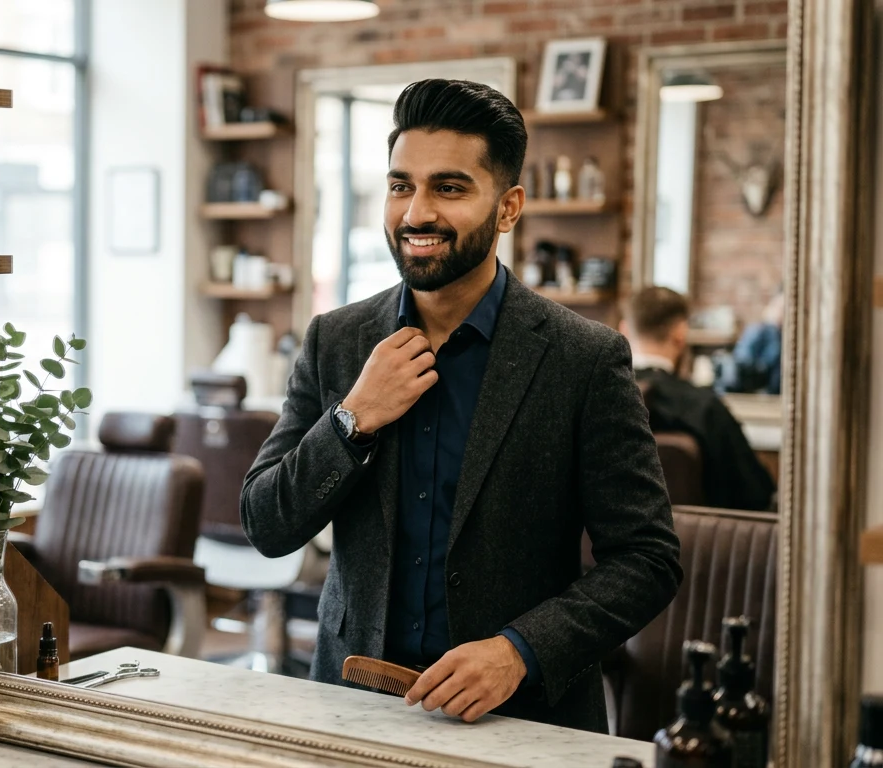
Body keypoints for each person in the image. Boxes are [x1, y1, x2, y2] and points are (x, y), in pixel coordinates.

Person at [240, 79, 682, 733]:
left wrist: (521, 651)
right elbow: (266, 523)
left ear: (508, 208)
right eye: (400, 186)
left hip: (522, 719)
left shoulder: (583, 359)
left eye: (449, 188)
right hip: (351, 708)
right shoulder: (335, 341)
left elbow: (647, 557)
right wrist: (352, 417)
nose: (416, 213)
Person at [622, 287, 776, 511]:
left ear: (624, 330)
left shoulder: (596, 398)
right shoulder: (705, 408)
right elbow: (756, 494)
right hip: (698, 542)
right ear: (680, 334)